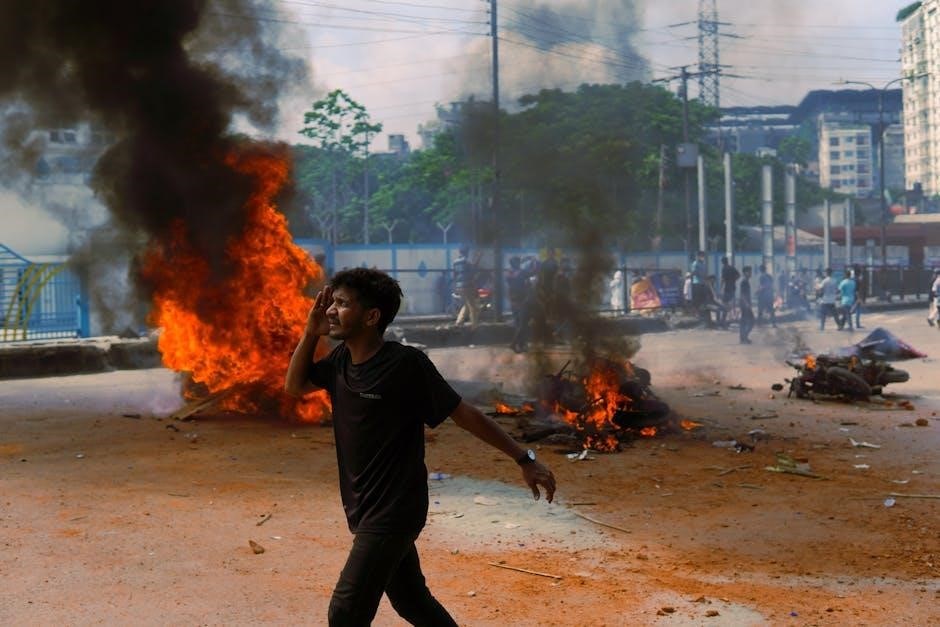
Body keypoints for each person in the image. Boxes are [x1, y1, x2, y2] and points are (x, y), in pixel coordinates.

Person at [285, 268, 556, 626]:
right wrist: (309, 332)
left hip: (395, 510)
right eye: (332, 302)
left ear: (371, 316)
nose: (331, 310)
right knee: (412, 602)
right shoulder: (341, 362)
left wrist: (524, 458)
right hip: (361, 504)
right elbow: (295, 387)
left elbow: (463, 413)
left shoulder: (404, 364)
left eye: (342, 303)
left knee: (345, 612)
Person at [506, 256, 532, 353]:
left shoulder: (509, 273)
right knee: (523, 323)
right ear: (516, 263)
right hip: (521, 300)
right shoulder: (521, 272)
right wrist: (532, 261)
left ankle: (522, 344)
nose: (520, 263)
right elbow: (532, 272)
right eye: (518, 262)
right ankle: (514, 344)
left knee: (519, 324)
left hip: (513, 300)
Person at [452, 246, 480, 329]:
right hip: (467, 286)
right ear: (467, 252)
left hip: (459, 286)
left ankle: (459, 322)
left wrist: (455, 287)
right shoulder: (466, 262)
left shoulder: (455, 262)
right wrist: (478, 258)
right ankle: (474, 326)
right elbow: (473, 271)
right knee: (473, 306)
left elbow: (455, 275)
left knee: (466, 305)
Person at [738, 266, 755, 344]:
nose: (750, 273)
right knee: (751, 321)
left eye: (751, 272)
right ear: (745, 272)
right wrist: (747, 304)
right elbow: (742, 295)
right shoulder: (744, 282)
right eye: (749, 272)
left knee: (744, 321)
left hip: (745, 304)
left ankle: (743, 338)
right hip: (745, 304)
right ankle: (744, 337)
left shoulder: (745, 281)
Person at [690, 251, 707, 322]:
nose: (702, 257)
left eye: (703, 256)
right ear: (698, 256)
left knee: (702, 299)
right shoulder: (695, 263)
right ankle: (696, 314)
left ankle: (701, 313)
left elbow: (704, 273)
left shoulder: (703, 263)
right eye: (701, 256)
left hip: (702, 283)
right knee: (697, 300)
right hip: (697, 283)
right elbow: (693, 272)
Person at [852, 264, 866, 329]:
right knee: (857, 310)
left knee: (852, 310)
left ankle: (853, 324)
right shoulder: (858, 280)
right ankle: (857, 324)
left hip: (852, 296)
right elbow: (857, 290)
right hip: (857, 297)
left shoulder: (852, 279)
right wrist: (859, 298)